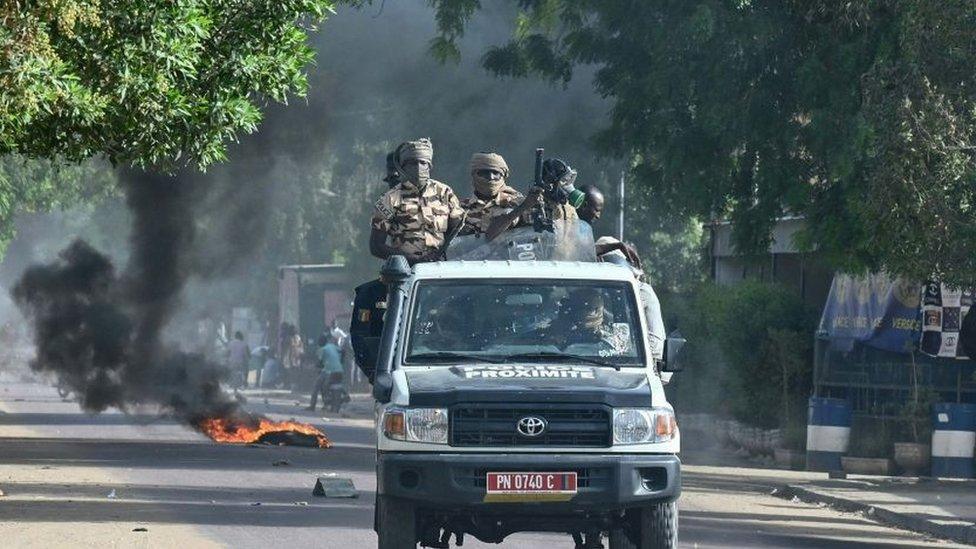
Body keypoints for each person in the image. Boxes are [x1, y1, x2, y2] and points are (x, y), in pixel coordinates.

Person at [369, 138, 465, 264]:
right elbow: (376, 246)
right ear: (403, 167)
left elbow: (457, 230)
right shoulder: (389, 199)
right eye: (412, 163)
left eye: (423, 163)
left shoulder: (444, 192)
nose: (419, 167)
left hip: (442, 267)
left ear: (430, 166)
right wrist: (414, 259)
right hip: (406, 271)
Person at [459, 152, 529, 236]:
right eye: (484, 173)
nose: (491, 177)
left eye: (496, 173)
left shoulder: (519, 203)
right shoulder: (461, 208)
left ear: (503, 175)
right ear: (474, 175)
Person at [307, 333, 344, 411]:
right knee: (327, 385)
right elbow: (343, 351)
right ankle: (343, 394)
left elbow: (319, 363)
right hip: (340, 370)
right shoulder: (332, 346)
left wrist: (314, 366)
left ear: (320, 342)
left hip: (329, 371)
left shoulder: (322, 349)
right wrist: (341, 361)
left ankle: (312, 405)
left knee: (316, 387)